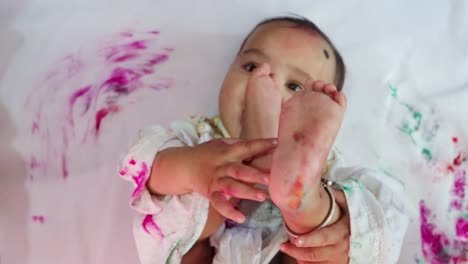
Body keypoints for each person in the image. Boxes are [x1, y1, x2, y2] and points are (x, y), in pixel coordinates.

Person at [119, 15, 408, 263]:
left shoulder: (326, 168)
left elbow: (378, 226)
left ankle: (307, 207)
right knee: (180, 216)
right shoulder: (198, 139)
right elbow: (145, 165)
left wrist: (338, 223)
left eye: (294, 85)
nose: (266, 80)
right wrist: (192, 169)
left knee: (344, 228)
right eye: (251, 67)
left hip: (286, 242)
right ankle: (300, 204)